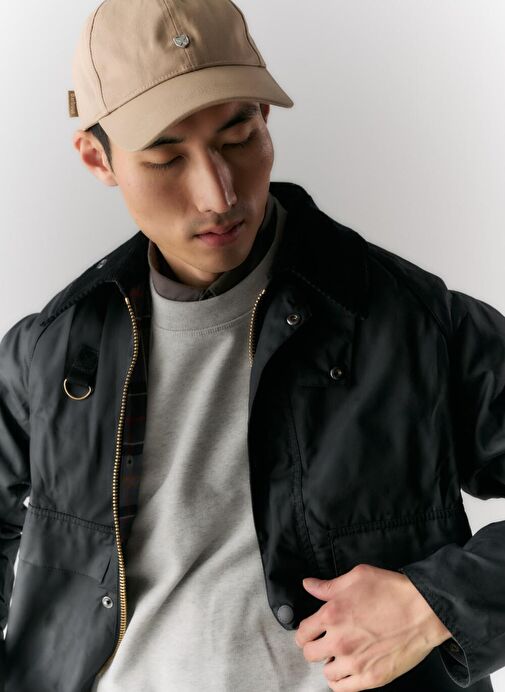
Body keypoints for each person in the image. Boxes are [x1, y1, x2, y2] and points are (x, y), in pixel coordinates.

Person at [0, 0, 503, 690]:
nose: (217, 194)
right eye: (165, 156)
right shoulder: (51, 351)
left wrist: (433, 605)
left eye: (238, 136)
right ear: (98, 157)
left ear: (265, 117)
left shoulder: (411, 323)